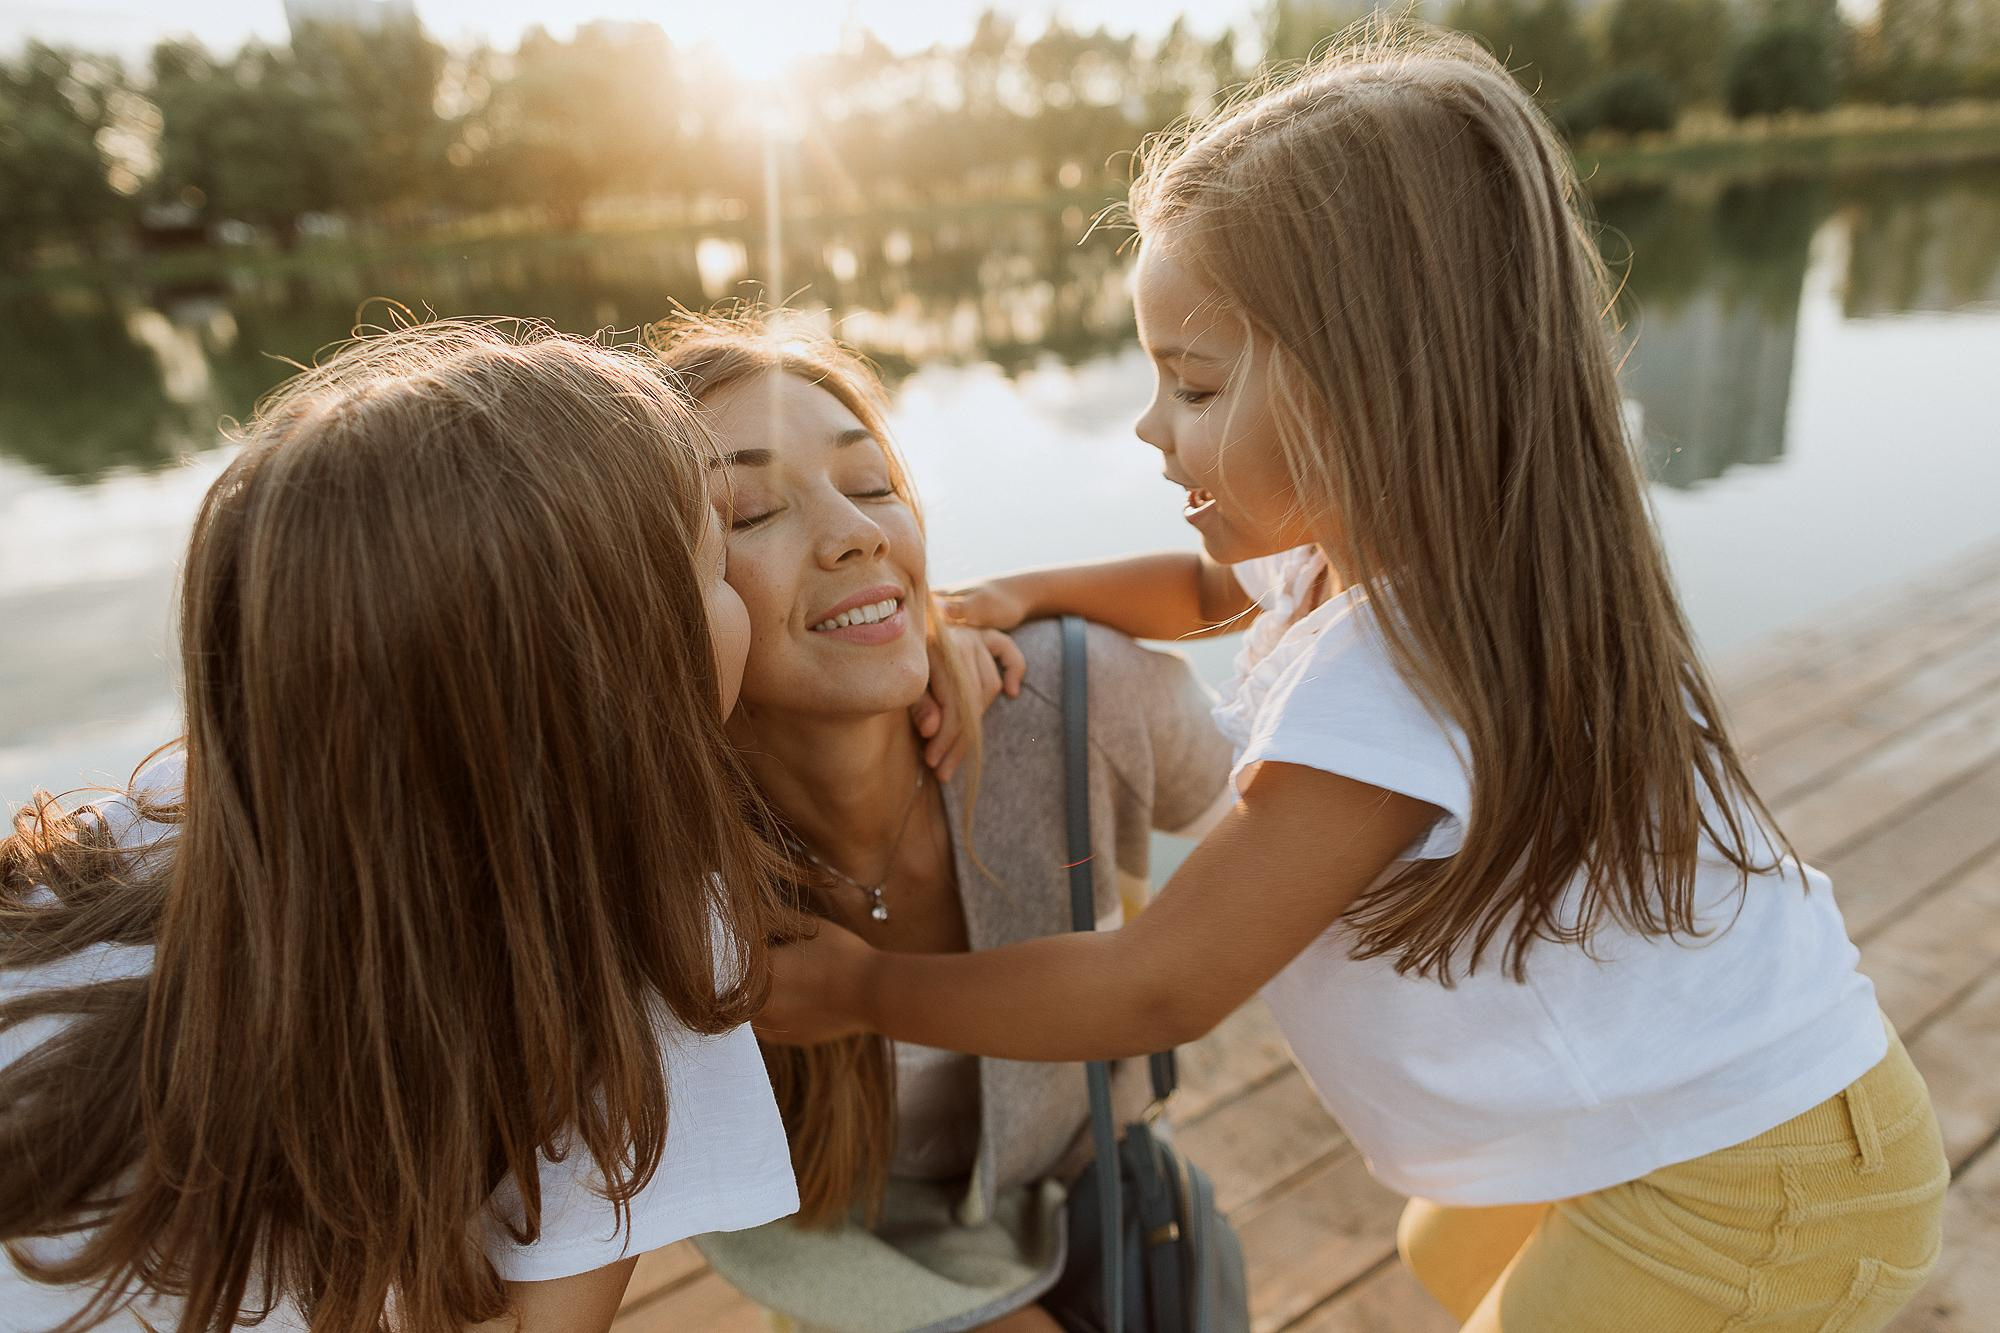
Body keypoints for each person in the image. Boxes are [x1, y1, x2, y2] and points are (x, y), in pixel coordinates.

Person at [757, 28, 1949, 1333]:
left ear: (1363, 387)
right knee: (1451, 1255)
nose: (1151, 428)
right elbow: (1208, 591)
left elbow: (1164, 981)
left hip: (1742, 1180)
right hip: (1747, 1110)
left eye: (1191, 383)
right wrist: (1028, 592)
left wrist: (867, 990)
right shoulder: (1451, 557)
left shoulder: (1385, 676)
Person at [0, 322, 800, 1332]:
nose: (753, 593)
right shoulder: (646, 929)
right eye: (720, 559)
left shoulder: (92, 870)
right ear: (607, 672)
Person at [648, 312, 1233, 1332]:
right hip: (846, 1278)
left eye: (871, 485)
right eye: (747, 511)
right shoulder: (645, 868)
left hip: (1118, 1231)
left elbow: (1359, 844)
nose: (858, 530)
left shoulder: (1076, 703)